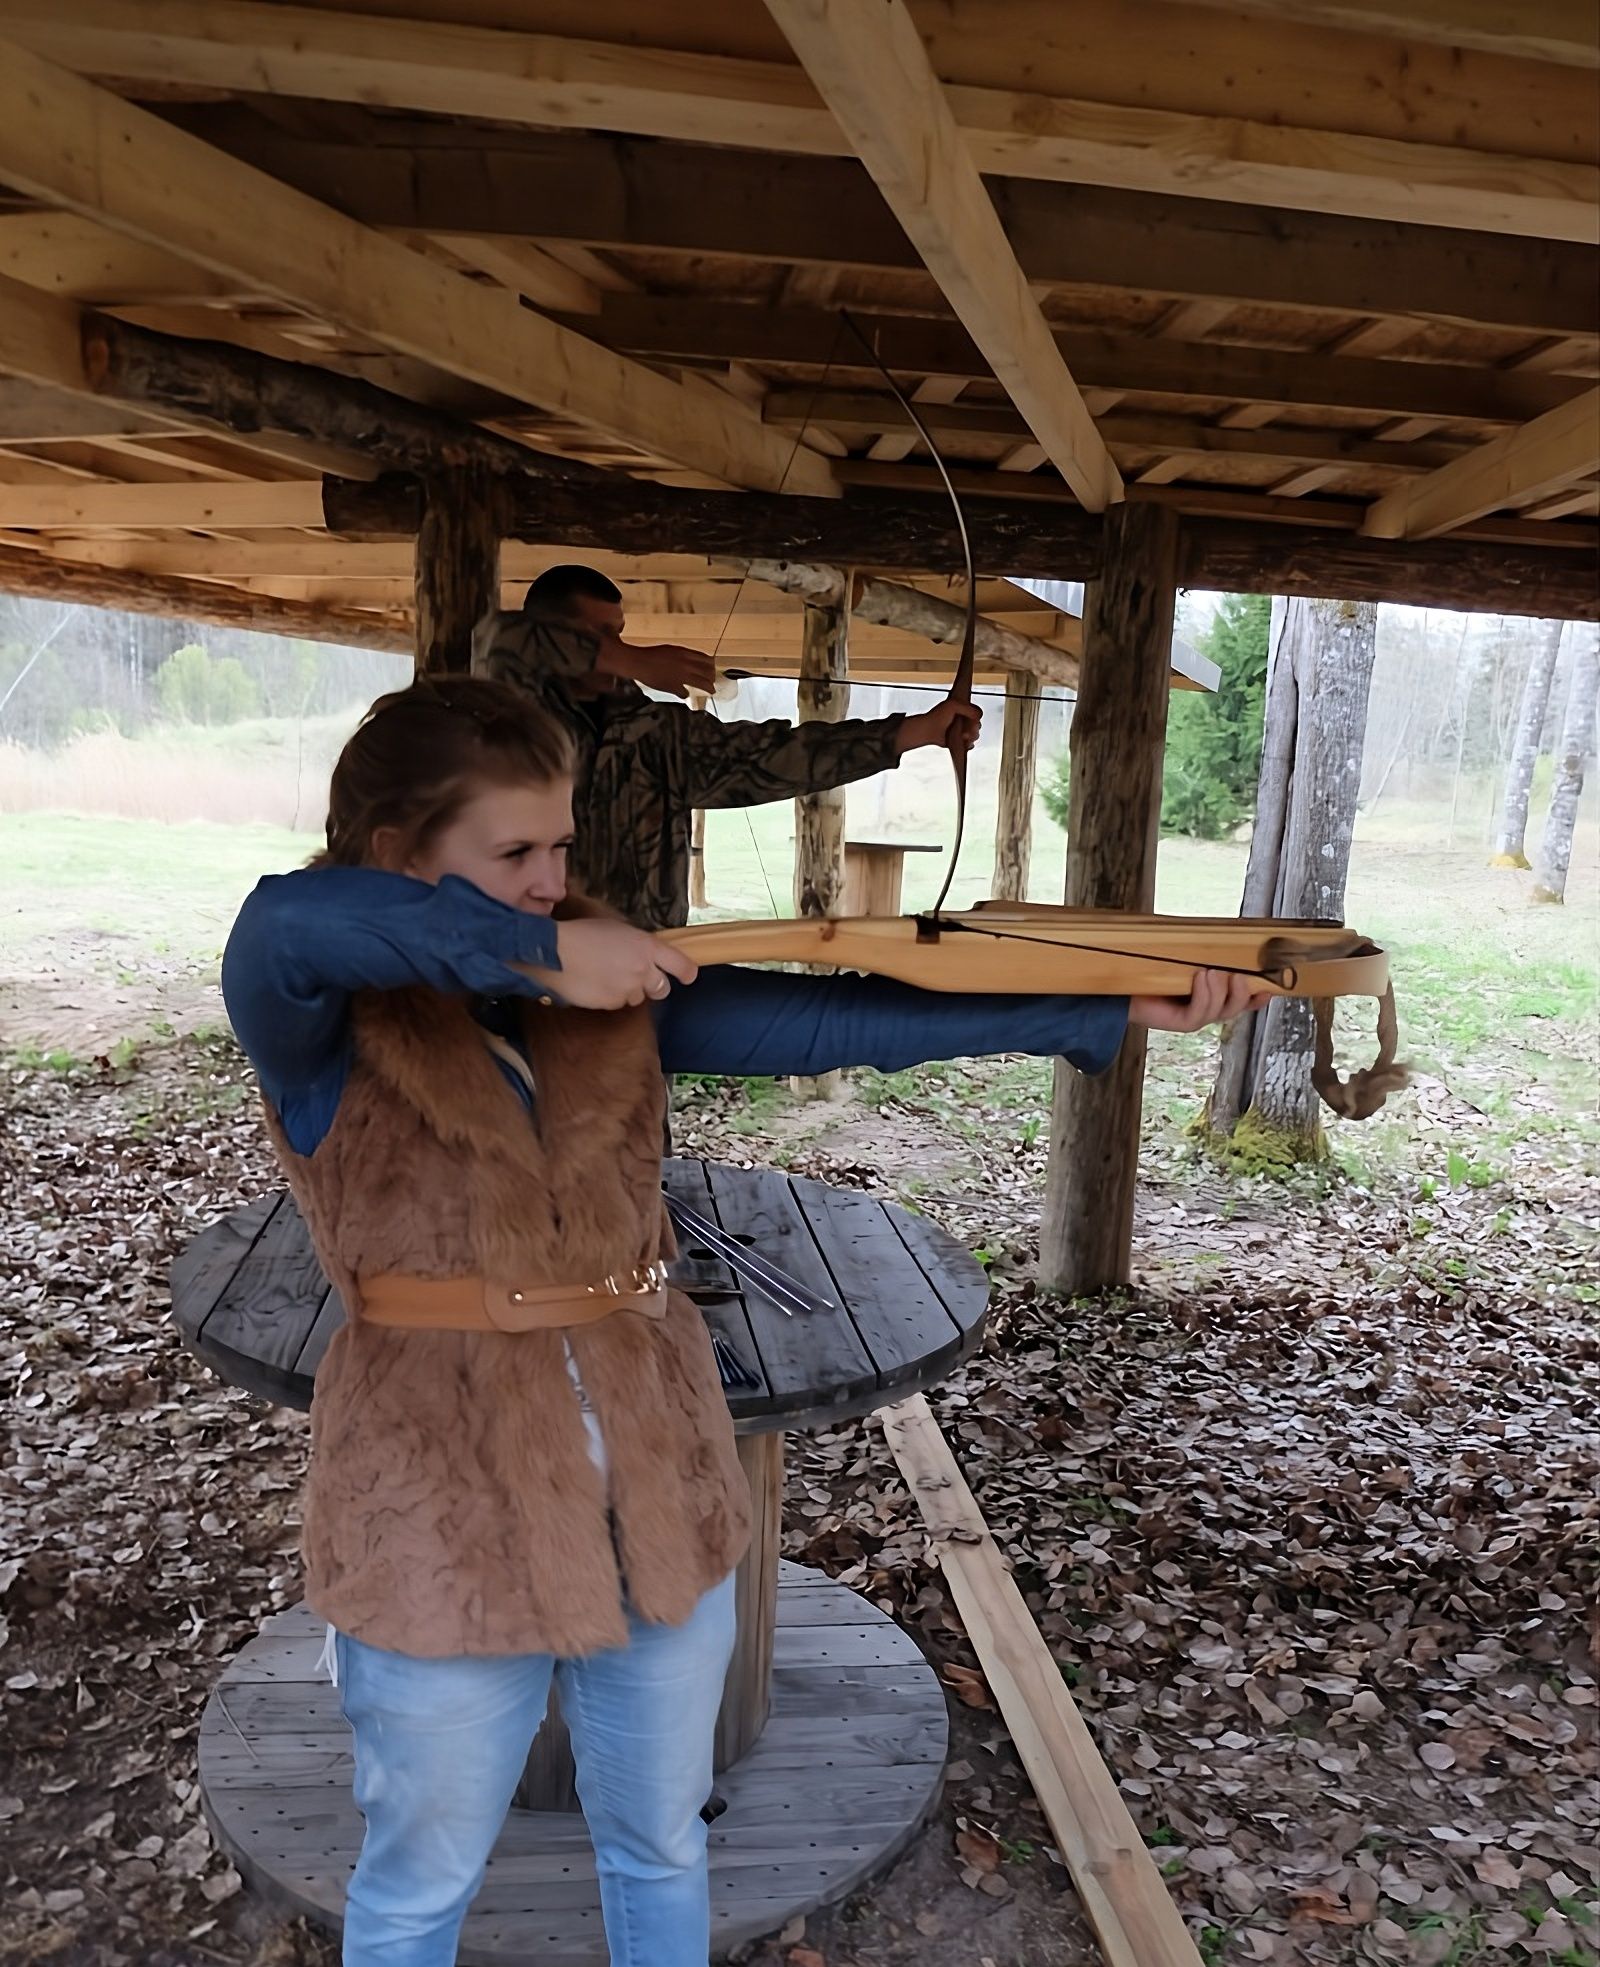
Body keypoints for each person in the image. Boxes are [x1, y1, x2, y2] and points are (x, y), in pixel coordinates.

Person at [219, 676, 1264, 1967]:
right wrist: (533, 950)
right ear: (398, 853)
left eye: (562, 844)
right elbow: (281, 925)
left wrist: (1096, 1011)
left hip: (661, 1474)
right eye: (516, 852)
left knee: (660, 1838)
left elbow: (832, 1015)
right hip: (432, 1502)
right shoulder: (319, 1025)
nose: (555, 878)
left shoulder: (608, 985)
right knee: (421, 1880)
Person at [474, 563, 982, 927]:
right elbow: (498, 638)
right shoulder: (502, 712)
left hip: (638, 968)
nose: (619, 646)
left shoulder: (655, 732)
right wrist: (633, 662)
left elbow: (774, 756)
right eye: (599, 635)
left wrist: (916, 732)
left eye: (620, 634)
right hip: (520, 963)